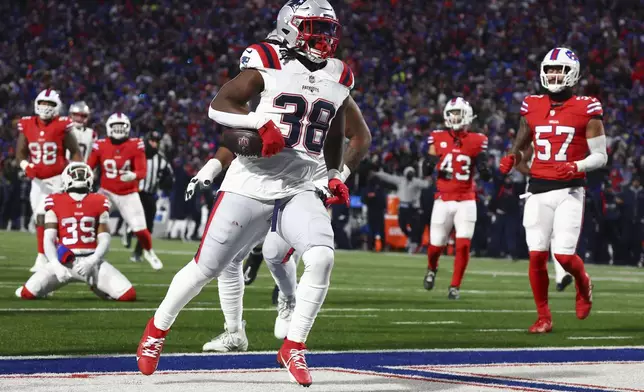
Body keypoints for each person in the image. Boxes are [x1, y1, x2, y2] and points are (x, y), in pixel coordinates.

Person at [136, 1, 352, 387]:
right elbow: (219, 105)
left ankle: (294, 346)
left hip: (299, 186)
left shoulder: (339, 73)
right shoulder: (267, 58)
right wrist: (257, 122)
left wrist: (334, 173)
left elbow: (335, 131)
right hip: (249, 184)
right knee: (208, 268)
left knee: (320, 258)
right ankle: (156, 330)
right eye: (315, 27)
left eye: (328, 28)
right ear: (291, 28)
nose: (324, 37)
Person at [499, 47, 606, 333]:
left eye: (559, 69)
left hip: (570, 189)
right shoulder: (532, 104)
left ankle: (583, 284)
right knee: (536, 254)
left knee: (564, 256)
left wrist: (576, 166)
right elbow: (522, 141)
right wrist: (513, 157)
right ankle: (543, 316)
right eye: (550, 69)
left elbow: (601, 156)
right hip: (538, 188)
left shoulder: (588, 106)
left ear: (572, 73)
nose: (553, 74)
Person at [15, 162, 136, 301]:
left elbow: (105, 238)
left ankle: (95, 285)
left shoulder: (97, 201)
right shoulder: (58, 201)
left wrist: (92, 260)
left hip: (91, 261)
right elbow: (48, 238)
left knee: (128, 295)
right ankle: (95, 284)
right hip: (64, 261)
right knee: (27, 294)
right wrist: (55, 265)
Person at [423, 97, 491, 300]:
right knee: (435, 246)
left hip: (466, 199)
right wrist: (430, 165)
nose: (454, 117)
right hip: (443, 198)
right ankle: (431, 269)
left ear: (467, 116)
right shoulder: (437, 136)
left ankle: (455, 286)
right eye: (451, 113)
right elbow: (428, 164)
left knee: (463, 245)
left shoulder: (478, 140)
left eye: (458, 113)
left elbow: (483, 168)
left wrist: (486, 169)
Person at [16, 89, 82, 272]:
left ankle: (43, 257)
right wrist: (24, 165)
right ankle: (59, 254)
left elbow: (75, 151)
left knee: (41, 215)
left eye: (50, 104)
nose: (45, 107)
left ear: (57, 107)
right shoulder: (27, 123)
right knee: (40, 220)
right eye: (43, 103)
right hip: (37, 180)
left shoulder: (62, 125)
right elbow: (20, 151)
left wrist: (76, 174)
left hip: (58, 178)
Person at [88, 113, 163, 270]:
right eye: (115, 127)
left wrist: (133, 175)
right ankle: (88, 251)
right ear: (109, 128)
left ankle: (149, 252)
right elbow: (89, 167)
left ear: (128, 128)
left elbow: (142, 171)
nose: (118, 130)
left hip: (129, 193)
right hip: (106, 192)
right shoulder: (100, 145)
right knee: (89, 220)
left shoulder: (135, 144)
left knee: (141, 229)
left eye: (121, 127)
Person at [128, 131, 174, 262]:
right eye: (152, 141)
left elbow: (169, 175)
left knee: (148, 226)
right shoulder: (137, 155)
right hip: (135, 193)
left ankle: (137, 252)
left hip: (150, 195)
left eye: (156, 141)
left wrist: (165, 184)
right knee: (135, 220)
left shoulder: (161, 159)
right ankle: (129, 230)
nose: (154, 144)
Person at [372, 166, 431, 253]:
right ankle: (410, 238)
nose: (410, 175)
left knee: (414, 226)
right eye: (409, 173)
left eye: (412, 173)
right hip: (402, 207)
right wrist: (377, 174)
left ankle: (413, 244)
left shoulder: (416, 182)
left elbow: (426, 185)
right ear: (405, 174)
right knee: (402, 225)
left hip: (412, 208)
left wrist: (429, 180)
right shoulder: (401, 181)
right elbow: (388, 177)